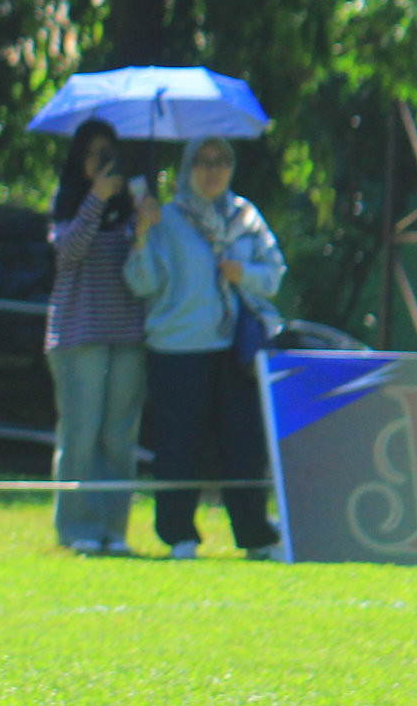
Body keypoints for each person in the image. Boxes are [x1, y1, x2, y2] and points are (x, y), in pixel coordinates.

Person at [123, 135, 284, 560]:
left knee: (244, 446)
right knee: (180, 445)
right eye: (204, 162)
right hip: (179, 348)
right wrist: (141, 234)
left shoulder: (245, 216)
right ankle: (180, 535)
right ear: (188, 168)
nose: (214, 171)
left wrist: (241, 272)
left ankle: (255, 535)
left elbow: (274, 273)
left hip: (235, 350)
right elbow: (143, 283)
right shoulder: (168, 218)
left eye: (223, 162)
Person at [47, 118, 149, 555]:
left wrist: (145, 228)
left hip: (128, 334)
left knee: (118, 436)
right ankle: (77, 528)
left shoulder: (135, 204)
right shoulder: (68, 202)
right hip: (78, 334)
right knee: (81, 432)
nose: (101, 161)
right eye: (92, 153)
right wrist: (95, 199)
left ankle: (114, 528)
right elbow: (67, 252)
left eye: (108, 153)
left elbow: (147, 271)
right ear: (79, 160)